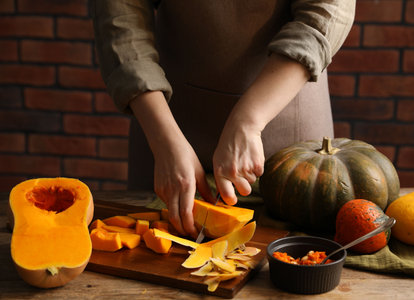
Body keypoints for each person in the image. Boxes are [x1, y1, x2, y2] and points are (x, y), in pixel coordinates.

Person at [91, 0, 355, 238]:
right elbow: (121, 18)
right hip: (165, 119)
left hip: (288, 120)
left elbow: (327, 11)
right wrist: (163, 140)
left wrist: (248, 120)